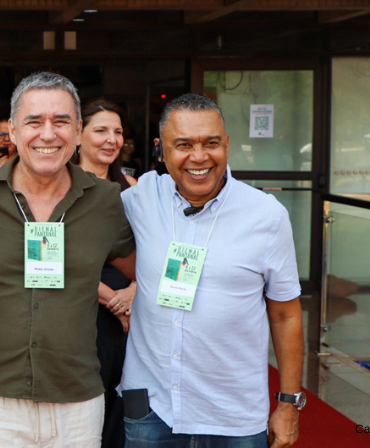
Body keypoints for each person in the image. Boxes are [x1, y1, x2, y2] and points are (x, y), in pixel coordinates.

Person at [0, 72, 135, 448]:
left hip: (77, 406)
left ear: (78, 130)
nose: (48, 134)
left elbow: (144, 267)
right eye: (34, 121)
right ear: (12, 131)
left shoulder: (105, 200)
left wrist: (133, 293)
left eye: (61, 121)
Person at [120, 93, 304, 448]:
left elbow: (285, 315)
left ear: (228, 145)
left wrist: (289, 403)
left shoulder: (266, 215)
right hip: (152, 412)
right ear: (161, 149)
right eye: (183, 144)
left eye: (211, 143)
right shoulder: (140, 199)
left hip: (234, 417)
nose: (199, 157)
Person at [76, 98, 136, 448]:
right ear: (78, 135)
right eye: (101, 130)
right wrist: (113, 300)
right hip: (85, 305)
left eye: (118, 132)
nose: (111, 139)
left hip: (130, 310)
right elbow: (59, 260)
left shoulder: (134, 187)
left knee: (122, 401)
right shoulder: (61, 187)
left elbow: (152, 251)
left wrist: (134, 290)